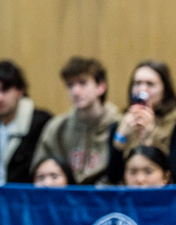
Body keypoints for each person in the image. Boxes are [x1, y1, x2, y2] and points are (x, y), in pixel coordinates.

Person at [107, 60, 176, 184]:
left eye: (150, 84)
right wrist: (120, 138)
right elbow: (112, 177)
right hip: (126, 197)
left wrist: (151, 136)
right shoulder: (119, 123)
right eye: (137, 83)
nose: (142, 90)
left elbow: (175, 174)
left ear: (165, 90)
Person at [31, 56, 119, 184]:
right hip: (65, 199)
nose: (75, 91)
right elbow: (39, 171)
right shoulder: (57, 128)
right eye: (70, 85)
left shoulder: (119, 126)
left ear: (101, 87)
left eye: (83, 83)